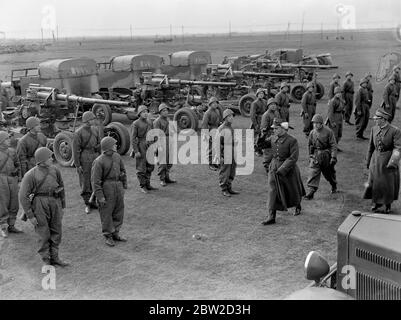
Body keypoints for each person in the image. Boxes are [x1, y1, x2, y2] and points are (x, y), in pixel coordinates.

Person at [19, 147, 69, 267]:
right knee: (43, 233)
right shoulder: (30, 175)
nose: (52, 159)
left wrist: (62, 206)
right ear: (41, 160)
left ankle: (55, 257)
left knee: (56, 230)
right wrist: (30, 215)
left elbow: (61, 187)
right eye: (49, 157)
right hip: (39, 205)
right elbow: (23, 196)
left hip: (55, 202)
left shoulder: (55, 170)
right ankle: (46, 259)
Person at [261, 119, 305, 225]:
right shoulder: (273, 138)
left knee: (292, 190)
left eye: (276, 128)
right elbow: (262, 145)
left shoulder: (292, 140)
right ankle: (271, 216)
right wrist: (262, 134)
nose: (274, 130)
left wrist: (283, 169)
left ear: (284, 129)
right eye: (273, 128)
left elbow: (293, 157)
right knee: (273, 191)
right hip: (274, 167)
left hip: (289, 170)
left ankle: (297, 205)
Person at [91, 137, 127, 247]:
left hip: (118, 186)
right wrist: (100, 197)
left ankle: (116, 232)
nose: (116, 145)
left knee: (118, 210)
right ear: (108, 148)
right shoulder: (99, 161)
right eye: (114, 144)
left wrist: (124, 184)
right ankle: (108, 235)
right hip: (106, 188)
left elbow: (123, 170)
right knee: (106, 213)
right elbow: (95, 182)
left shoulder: (117, 156)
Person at [364, 108, 401, 214]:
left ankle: (388, 204)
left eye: (377, 119)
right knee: (374, 182)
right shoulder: (374, 129)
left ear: (383, 119)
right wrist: (368, 161)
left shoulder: (395, 131)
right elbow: (370, 147)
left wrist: (393, 162)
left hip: (387, 160)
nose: (375, 120)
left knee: (387, 184)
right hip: (375, 160)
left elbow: (398, 148)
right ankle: (376, 203)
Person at [72, 111, 101, 214]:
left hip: (95, 156)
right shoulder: (78, 133)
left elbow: (99, 143)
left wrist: (100, 153)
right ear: (87, 120)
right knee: (85, 181)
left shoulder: (95, 130)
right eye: (92, 119)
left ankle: (94, 201)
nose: (94, 120)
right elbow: (76, 150)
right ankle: (87, 203)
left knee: (96, 179)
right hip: (85, 158)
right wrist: (78, 164)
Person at [304, 114, 338, 200]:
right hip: (316, 155)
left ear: (321, 123)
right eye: (314, 123)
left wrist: (333, 157)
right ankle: (311, 191)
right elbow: (310, 145)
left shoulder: (328, 131)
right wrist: (310, 155)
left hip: (326, 155)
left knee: (328, 173)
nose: (315, 125)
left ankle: (333, 184)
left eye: (317, 123)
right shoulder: (312, 132)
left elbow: (333, 145)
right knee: (313, 172)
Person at [0, 131, 22, 238]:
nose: (9, 140)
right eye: (6, 139)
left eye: (9, 138)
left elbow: (18, 165)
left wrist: (19, 178)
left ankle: (12, 225)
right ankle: (3, 227)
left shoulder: (12, 152)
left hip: (12, 179)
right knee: (3, 203)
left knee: (14, 203)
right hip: (1, 179)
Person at [131, 105, 156, 193]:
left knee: (150, 166)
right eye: (143, 112)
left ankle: (148, 184)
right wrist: (136, 150)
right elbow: (133, 138)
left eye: (146, 112)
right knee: (141, 167)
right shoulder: (136, 123)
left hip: (150, 145)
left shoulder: (150, 122)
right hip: (141, 145)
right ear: (139, 113)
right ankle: (142, 186)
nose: (145, 114)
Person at [215, 109, 239, 197]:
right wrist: (219, 156)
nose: (232, 118)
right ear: (225, 118)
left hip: (232, 150)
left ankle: (229, 187)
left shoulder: (230, 127)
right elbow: (217, 143)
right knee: (225, 170)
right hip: (225, 152)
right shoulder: (221, 128)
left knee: (232, 169)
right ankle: (224, 188)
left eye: (232, 116)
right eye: (229, 116)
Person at [153, 103, 176, 187]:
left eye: (166, 110)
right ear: (160, 112)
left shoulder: (168, 120)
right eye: (163, 110)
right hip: (161, 140)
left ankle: (167, 177)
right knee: (162, 161)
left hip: (169, 140)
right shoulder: (157, 121)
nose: (166, 112)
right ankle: (162, 179)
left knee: (170, 160)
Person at [260, 98, 281, 174]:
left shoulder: (277, 113)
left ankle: (274, 167)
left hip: (276, 135)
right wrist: (266, 138)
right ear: (268, 106)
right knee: (268, 154)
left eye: (274, 104)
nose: (273, 106)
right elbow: (263, 128)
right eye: (271, 105)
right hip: (268, 136)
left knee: (276, 152)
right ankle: (267, 168)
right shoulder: (266, 115)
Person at [201, 97, 222, 171]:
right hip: (211, 131)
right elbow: (204, 124)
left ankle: (216, 162)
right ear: (210, 104)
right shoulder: (207, 113)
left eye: (216, 103)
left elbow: (219, 120)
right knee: (210, 148)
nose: (215, 104)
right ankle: (210, 164)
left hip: (217, 130)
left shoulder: (217, 111)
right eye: (213, 103)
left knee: (217, 147)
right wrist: (206, 134)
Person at [250, 88, 267, 156]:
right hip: (258, 120)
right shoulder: (254, 103)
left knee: (263, 135)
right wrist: (255, 124)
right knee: (257, 135)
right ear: (257, 94)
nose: (261, 95)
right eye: (260, 93)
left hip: (264, 119)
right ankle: (256, 149)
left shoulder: (265, 101)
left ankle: (260, 148)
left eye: (262, 93)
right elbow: (252, 115)